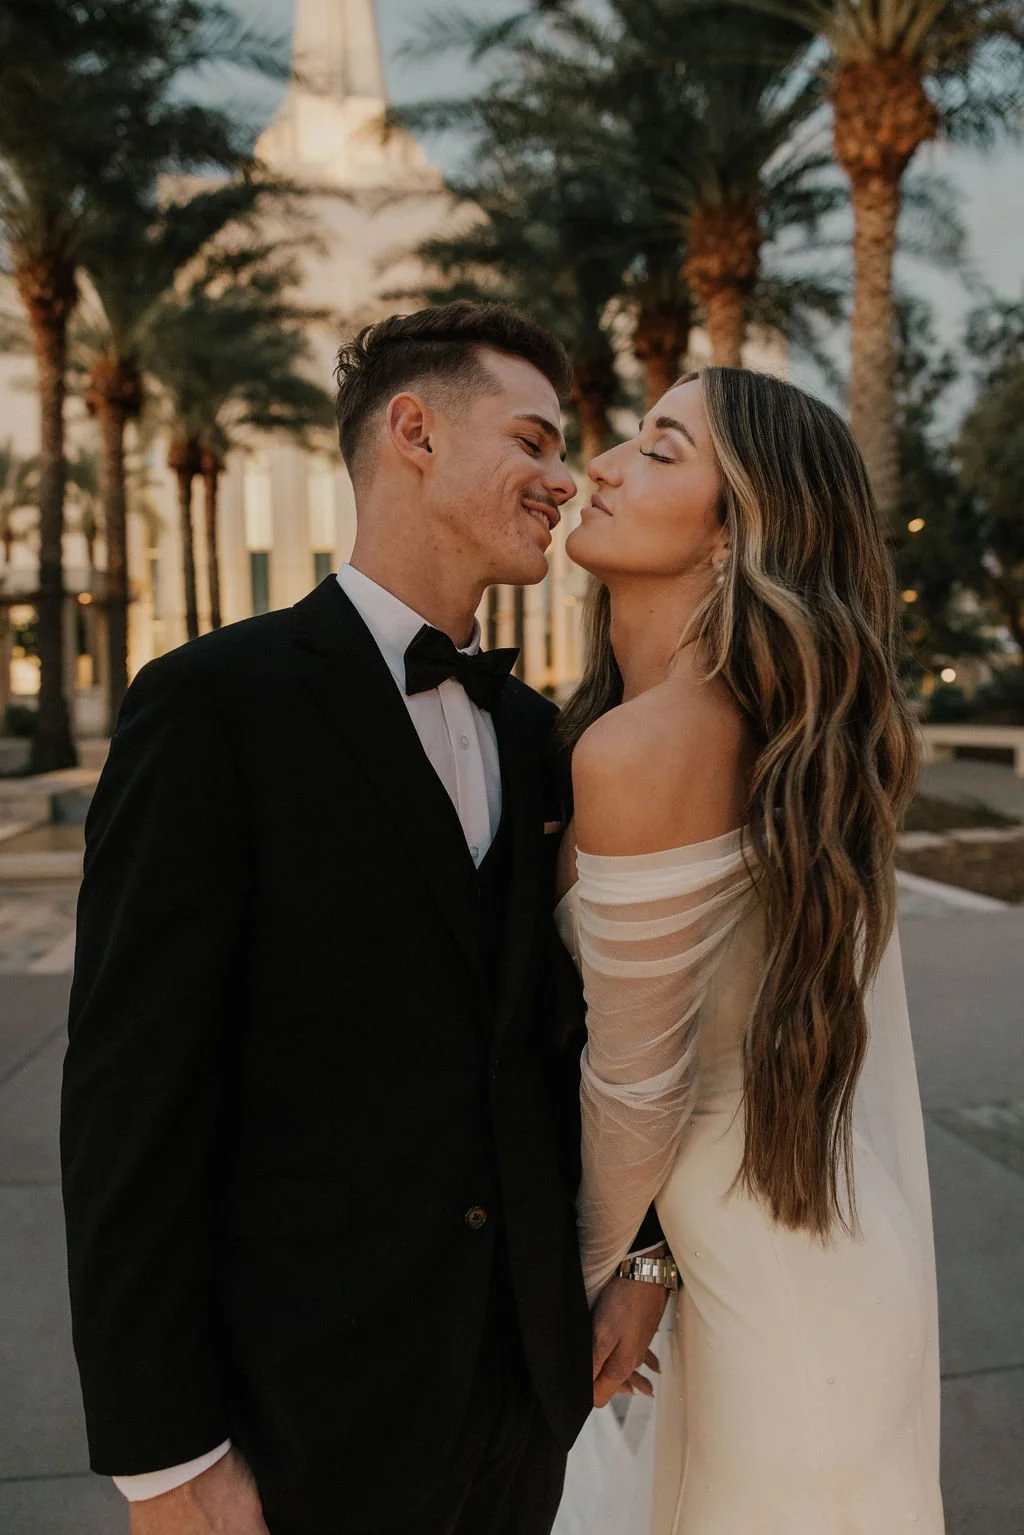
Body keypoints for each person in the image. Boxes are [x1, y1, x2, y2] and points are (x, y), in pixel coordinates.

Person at [59, 302, 668, 1535]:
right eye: (534, 440)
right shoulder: (210, 705)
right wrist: (162, 1456)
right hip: (300, 1420)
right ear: (414, 432)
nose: (565, 481)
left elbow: (595, 1030)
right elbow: (131, 1098)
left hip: (523, 1406)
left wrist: (641, 1257)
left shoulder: (542, 736)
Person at [552, 367, 944, 1533]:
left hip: (782, 1328)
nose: (601, 464)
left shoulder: (648, 747)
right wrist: (651, 1265)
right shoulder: (758, 733)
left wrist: (558, 1291)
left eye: (659, 449)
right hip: (802, 1269)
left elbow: (638, 1088)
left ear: (736, 532)